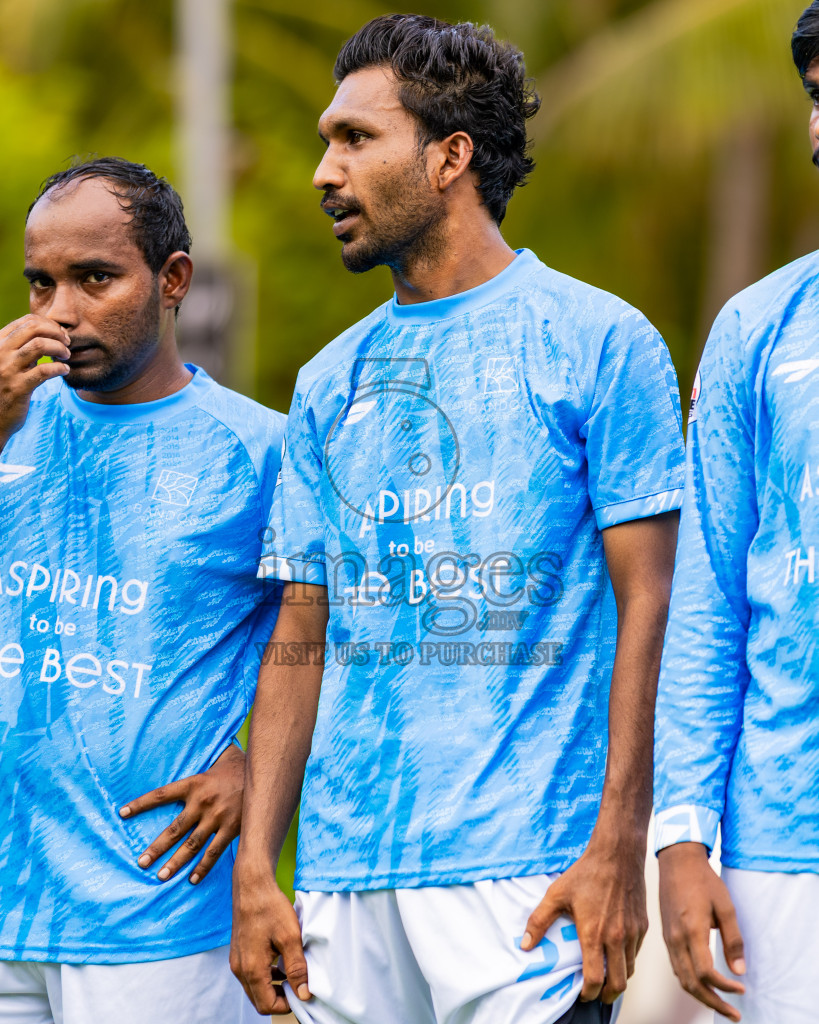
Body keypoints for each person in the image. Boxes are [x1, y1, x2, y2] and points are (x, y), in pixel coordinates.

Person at [231, 15, 684, 1024]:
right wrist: (259, 866)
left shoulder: (600, 340)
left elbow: (651, 605)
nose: (323, 172)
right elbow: (301, 631)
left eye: (354, 139)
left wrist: (622, 838)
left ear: (449, 158)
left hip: (524, 877)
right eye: (325, 140)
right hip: (347, 884)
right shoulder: (326, 383)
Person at [0, 158, 284, 1023]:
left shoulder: (261, 452)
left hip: (155, 916)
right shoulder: (10, 421)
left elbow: (338, 647)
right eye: (41, 284)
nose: (61, 312)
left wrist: (254, 768)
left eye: (95, 278)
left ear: (174, 281)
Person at [653, 7, 819, 1023]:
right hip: (785, 847)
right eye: (816, 98)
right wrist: (682, 837)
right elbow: (706, 604)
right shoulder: (760, 327)